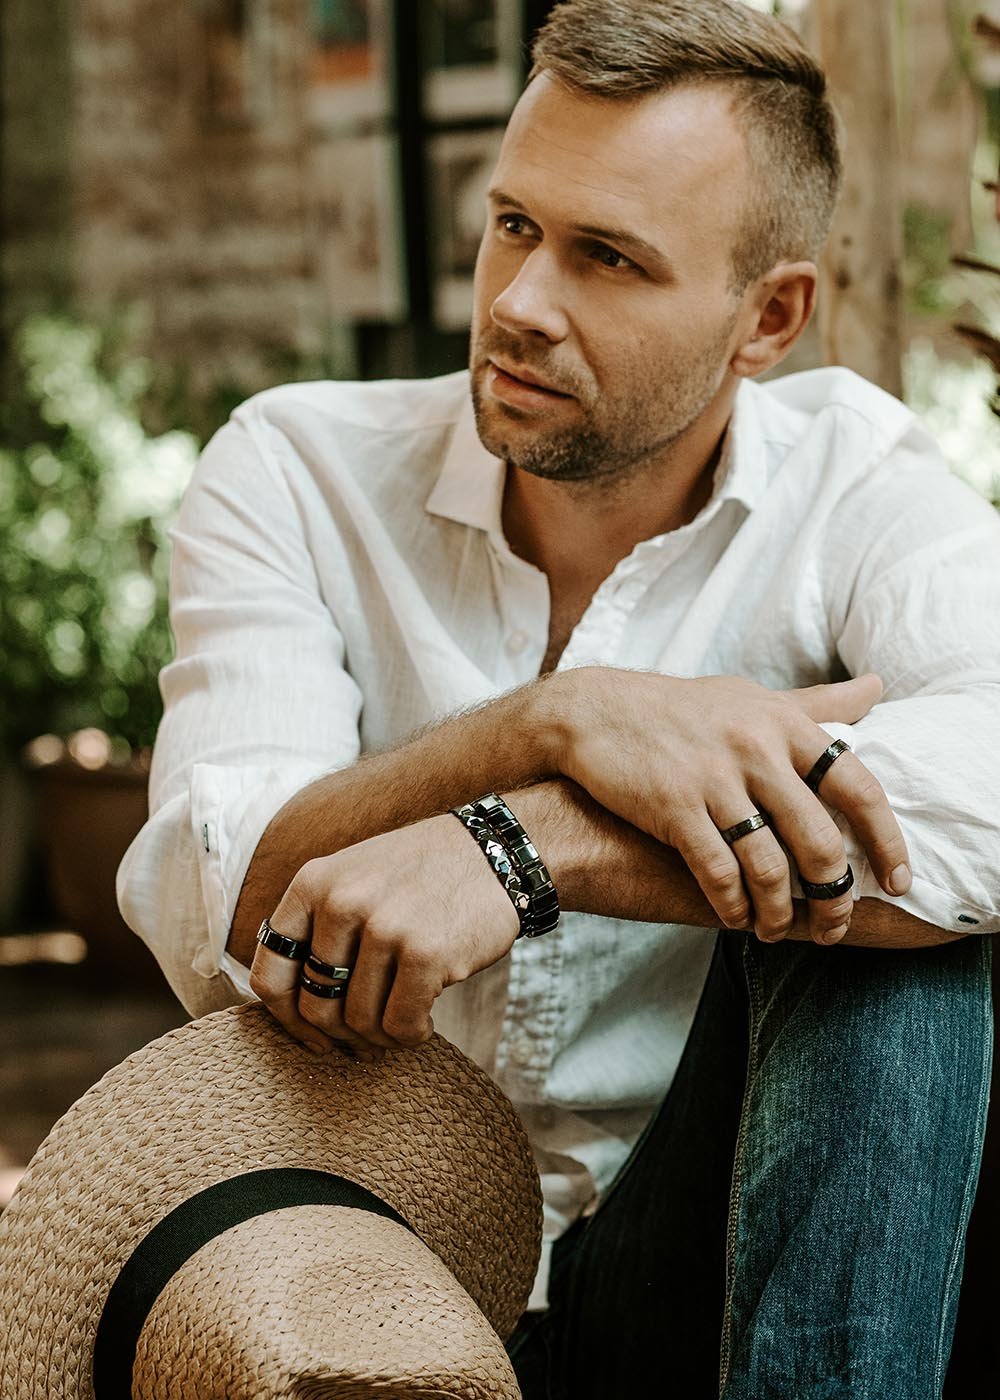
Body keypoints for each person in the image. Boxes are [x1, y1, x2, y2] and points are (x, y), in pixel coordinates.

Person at [117, 1, 1000, 1395]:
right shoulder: (295, 468)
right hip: (371, 1275)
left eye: (609, 259)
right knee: (825, 819)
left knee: (892, 916)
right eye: (515, 224)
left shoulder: (856, 485)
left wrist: (522, 846)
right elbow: (216, 895)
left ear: (767, 317)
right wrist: (560, 720)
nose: (521, 301)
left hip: (713, 1256)